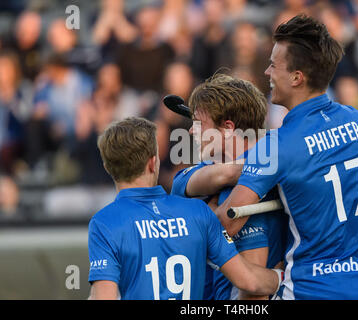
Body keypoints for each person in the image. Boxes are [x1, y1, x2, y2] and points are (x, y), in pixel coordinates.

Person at [214, 14, 358, 300]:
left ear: (297, 77)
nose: (267, 72)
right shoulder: (357, 120)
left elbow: (228, 221)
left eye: (274, 65)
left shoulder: (277, 145)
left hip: (309, 291)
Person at [87, 117, 283, 300]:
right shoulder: (198, 211)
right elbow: (249, 281)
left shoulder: (104, 223)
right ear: (153, 162)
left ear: (107, 166)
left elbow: (104, 296)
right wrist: (282, 276)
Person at [170, 74, 287, 300]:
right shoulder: (249, 173)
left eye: (198, 123)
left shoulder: (242, 193)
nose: (191, 131)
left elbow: (252, 291)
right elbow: (190, 182)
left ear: (227, 128)